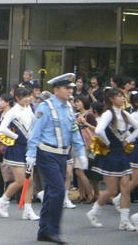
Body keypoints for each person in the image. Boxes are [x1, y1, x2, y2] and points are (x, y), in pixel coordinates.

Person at [27, 73, 88, 244]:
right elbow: (35, 132)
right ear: (56, 90)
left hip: (62, 154)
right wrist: (30, 154)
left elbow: (74, 131)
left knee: (52, 192)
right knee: (59, 191)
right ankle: (53, 230)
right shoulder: (46, 107)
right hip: (46, 153)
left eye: (71, 89)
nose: (70, 91)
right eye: (66, 88)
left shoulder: (69, 108)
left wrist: (81, 152)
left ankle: (45, 230)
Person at [87, 88, 138, 231]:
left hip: (122, 154)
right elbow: (98, 130)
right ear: (111, 99)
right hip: (110, 154)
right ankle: (93, 212)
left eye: (122, 96)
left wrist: (128, 139)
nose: (122, 98)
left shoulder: (125, 113)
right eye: (119, 96)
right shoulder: (108, 114)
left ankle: (124, 220)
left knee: (125, 188)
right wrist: (107, 142)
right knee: (111, 190)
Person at [0, 87, 40, 221]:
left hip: (28, 149)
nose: (29, 98)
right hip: (15, 149)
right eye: (25, 96)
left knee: (29, 180)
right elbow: (2, 128)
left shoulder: (29, 109)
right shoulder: (13, 112)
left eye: (29, 96)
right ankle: (3, 200)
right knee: (21, 180)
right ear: (17, 98)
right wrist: (16, 136)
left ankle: (28, 209)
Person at [74, 95, 96, 203]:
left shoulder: (89, 114)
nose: (76, 104)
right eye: (75, 102)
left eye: (78, 101)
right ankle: (81, 195)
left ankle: (90, 194)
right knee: (78, 171)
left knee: (79, 171)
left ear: (84, 102)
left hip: (86, 145)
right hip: (77, 145)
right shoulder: (77, 115)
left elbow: (97, 130)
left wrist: (85, 123)